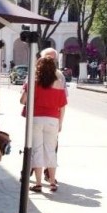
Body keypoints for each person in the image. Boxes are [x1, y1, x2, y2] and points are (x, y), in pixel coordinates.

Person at [20, 57, 67, 193]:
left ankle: (39, 183)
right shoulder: (59, 83)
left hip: (36, 118)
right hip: (53, 119)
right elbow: (62, 106)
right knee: (50, 150)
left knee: (37, 150)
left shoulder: (33, 83)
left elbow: (23, 101)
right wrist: (60, 123)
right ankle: (52, 182)